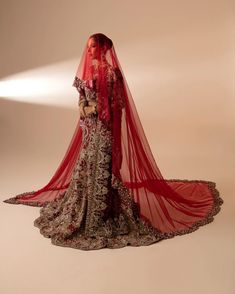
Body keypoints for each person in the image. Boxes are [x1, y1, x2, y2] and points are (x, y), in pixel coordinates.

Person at [3, 33, 223, 250]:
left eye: (93, 47)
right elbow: (82, 101)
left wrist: (95, 109)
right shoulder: (86, 73)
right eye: (88, 47)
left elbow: (117, 104)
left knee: (103, 168)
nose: (89, 51)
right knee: (88, 166)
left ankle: (102, 213)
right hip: (89, 129)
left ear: (103, 49)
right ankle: (85, 208)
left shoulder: (111, 74)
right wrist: (87, 108)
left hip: (104, 130)